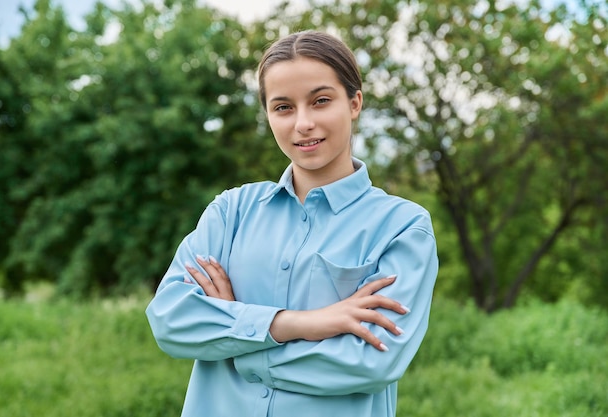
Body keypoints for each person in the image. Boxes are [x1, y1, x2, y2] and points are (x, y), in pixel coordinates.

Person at [146, 30, 438, 417]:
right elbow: (170, 319)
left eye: (320, 101)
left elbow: (371, 360)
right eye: (283, 107)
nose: (303, 123)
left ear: (354, 103)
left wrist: (238, 344)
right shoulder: (231, 211)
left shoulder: (402, 226)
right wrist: (299, 324)